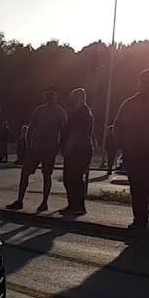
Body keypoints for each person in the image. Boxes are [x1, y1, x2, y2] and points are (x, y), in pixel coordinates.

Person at [112, 69, 149, 230]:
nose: (145, 84)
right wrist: (121, 142)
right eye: (143, 81)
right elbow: (117, 125)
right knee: (137, 188)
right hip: (134, 152)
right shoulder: (129, 103)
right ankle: (140, 220)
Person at [7, 87, 67, 211]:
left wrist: (60, 146)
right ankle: (19, 200)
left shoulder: (60, 112)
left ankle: (44, 202)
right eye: (47, 95)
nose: (49, 97)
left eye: (52, 95)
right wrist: (28, 144)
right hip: (36, 147)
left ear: (56, 96)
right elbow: (31, 126)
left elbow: (64, 131)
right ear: (45, 96)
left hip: (50, 148)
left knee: (46, 175)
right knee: (25, 173)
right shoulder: (39, 110)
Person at [60, 88, 94, 216]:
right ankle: (73, 205)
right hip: (79, 149)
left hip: (79, 149)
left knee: (74, 177)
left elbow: (76, 133)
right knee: (70, 178)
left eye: (73, 98)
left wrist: (68, 148)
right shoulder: (81, 112)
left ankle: (78, 206)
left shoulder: (81, 113)